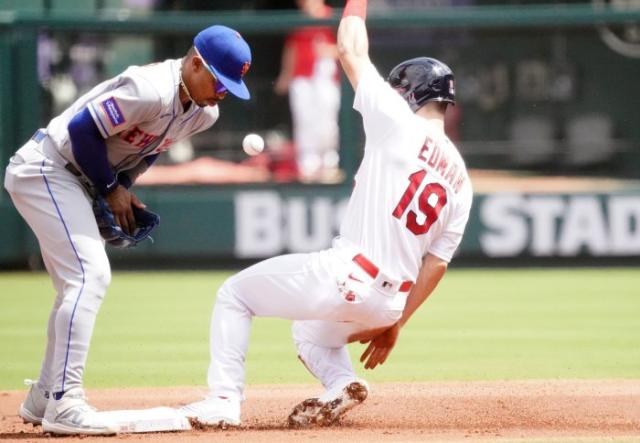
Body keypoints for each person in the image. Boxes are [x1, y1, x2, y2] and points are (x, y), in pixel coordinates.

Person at [180, 0, 472, 428]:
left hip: (347, 275)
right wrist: (397, 323)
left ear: (409, 94)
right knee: (309, 332)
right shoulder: (462, 179)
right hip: (391, 303)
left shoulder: (396, 120)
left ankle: (222, 399)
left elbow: (351, 49)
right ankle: (341, 384)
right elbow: (437, 264)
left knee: (234, 295)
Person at [4, 25, 252, 435]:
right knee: (89, 276)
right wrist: (109, 189)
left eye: (231, 85)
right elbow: (83, 130)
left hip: (78, 180)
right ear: (194, 63)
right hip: (47, 167)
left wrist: (123, 191)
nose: (223, 92)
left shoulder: (204, 113)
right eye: (219, 80)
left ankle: (45, 396)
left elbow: (148, 151)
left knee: (75, 283)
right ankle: (65, 403)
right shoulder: (149, 88)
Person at [274, 0, 341, 183]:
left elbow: (348, 47)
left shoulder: (332, 16)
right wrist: (285, 75)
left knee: (327, 122)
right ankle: (308, 167)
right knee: (304, 121)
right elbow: (291, 48)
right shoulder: (299, 20)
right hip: (301, 77)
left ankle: (329, 164)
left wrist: (330, 51)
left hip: (325, 77)